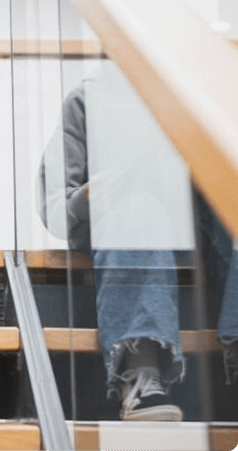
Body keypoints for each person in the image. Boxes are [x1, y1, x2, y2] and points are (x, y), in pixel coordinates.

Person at [36, 65, 238, 422]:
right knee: (138, 205)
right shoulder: (87, 98)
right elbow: (53, 208)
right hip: (121, 220)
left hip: (188, 226)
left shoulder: (194, 92)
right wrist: (86, 197)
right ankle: (141, 374)